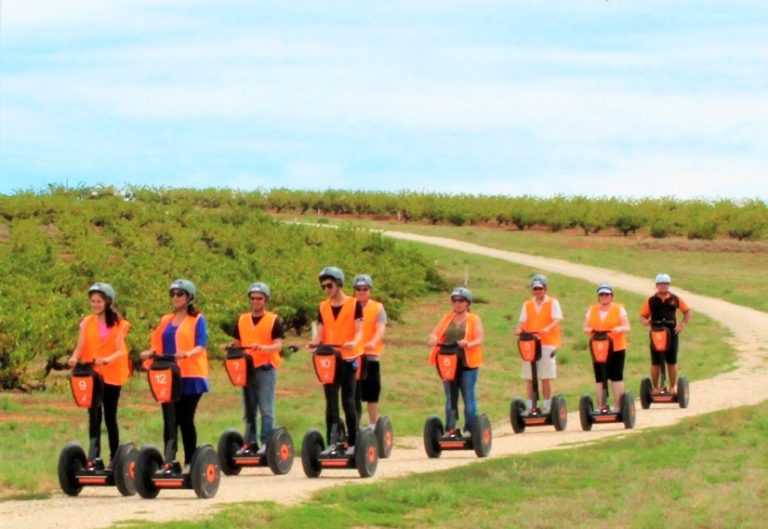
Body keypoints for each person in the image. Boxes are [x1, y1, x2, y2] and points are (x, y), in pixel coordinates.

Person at [140, 279, 209, 469]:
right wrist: (149, 353)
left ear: (189, 297)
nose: (175, 298)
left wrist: (187, 353)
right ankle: (169, 460)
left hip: (191, 375)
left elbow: (201, 344)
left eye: (179, 294)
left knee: (185, 418)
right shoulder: (165, 320)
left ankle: (190, 461)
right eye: (173, 294)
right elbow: (157, 344)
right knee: (169, 418)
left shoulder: (198, 319)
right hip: (168, 374)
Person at [67, 282, 131, 467]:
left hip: (112, 373)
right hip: (92, 374)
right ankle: (94, 457)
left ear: (108, 302)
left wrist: (107, 359)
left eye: (99, 301)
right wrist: (73, 358)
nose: (95, 305)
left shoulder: (120, 324)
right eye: (93, 301)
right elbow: (80, 347)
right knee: (94, 415)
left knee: (110, 416)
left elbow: (121, 350)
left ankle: (114, 457)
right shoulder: (87, 322)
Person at [223, 282, 285, 449]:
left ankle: (267, 443)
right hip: (246, 369)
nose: (256, 301)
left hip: (266, 367)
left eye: (259, 298)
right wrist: (229, 346)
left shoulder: (273, 320)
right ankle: (250, 442)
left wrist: (266, 348)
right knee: (249, 409)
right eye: (253, 298)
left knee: (266, 409)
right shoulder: (242, 319)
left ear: (265, 300)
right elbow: (237, 342)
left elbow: (278, 345)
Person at [307, 266, 363, 453]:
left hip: (347, 359)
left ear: (338, 283)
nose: (326, 289)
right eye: (323, 287)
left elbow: (359, 331)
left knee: (348, 401)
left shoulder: (354, 304)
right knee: (330, 403)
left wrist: (352, 342)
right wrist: (313, 344)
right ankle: (333, 440)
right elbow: (320, 334)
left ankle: (354, 442)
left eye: (329, 285)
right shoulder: (323, 306)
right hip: (329, 360)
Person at [428, 287, 485, 436]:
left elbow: (479, 339)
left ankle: (470, 429)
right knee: (450, 398)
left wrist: (468, 344)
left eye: (461, 300)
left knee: (468, 396)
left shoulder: (474, 319)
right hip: (448, 363)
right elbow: (435, 333)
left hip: (467, 364)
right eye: (455, 300)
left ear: (467, 303)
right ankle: (450, 429)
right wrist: (433, 338)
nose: (457, 303)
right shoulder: (447, 318)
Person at [513, 274, 563, 413]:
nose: (537, 291)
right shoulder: (527, 304)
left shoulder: (553, 302)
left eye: (540, 289)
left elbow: (556, 319)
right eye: (535, 289)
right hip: (530, 343)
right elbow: (522, 321)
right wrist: (518, 330)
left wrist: (547, 328)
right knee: (529, 377)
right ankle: (530, 406)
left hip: (547, 343)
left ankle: (547, 405)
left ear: (545, 288)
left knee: (545, 377)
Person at [639, 273, 692, 395]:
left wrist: (682, 325)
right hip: (656, 333)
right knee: (655, 362)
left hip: (671, 333)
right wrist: (646, 321)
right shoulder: (651, 300)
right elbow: (642, 317)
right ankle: (656, 388)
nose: (663, 286)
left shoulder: (675, 299)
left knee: (671, 361)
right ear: (656, 285)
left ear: (669, 285)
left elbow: (687, 311)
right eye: (660, 284)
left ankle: (672, 387)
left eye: (665, 284)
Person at [583, 284, 631, 411]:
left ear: (611, 296)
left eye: (607, 295)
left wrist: (619, 328)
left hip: (616, 347)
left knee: (616, 377)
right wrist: (589, 330)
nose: (604, 297)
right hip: (598, 347)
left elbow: (627, 327)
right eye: (601, 295)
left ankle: (618, 406)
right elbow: (585, 327)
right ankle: (601, 406)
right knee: (599, 378)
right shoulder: (592, 309)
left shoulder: (618, 309)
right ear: (598, 297)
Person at [351, 274, 387, 429]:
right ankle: (355, 426)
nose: (361, 292)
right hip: (353, 355)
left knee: (372, 393)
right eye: (358, 289)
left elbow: (380, 328)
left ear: (370, 290)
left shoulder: (377, 307)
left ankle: (373, 425)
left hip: (370, 356)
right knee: (353, 394)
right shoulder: (350, 306)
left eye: (364, 289)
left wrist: (373, 341)